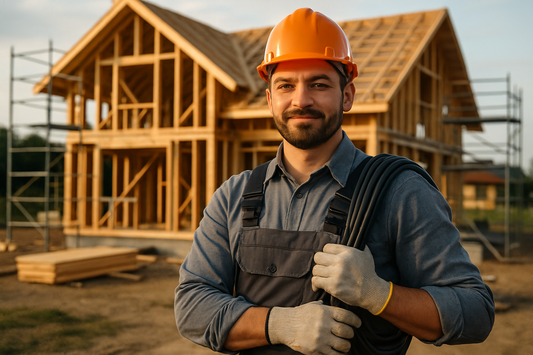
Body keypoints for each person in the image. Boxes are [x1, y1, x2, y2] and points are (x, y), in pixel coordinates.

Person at [175, 8, 495, 355]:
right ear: (270, 99)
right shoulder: (234, 195)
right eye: (286, 86)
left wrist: (378, 294)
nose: (301, 100)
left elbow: (475, 311)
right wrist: (280, 325)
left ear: (347, 96)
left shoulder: (399, 191)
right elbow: (192, 305)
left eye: (319, 84)